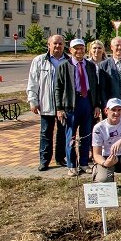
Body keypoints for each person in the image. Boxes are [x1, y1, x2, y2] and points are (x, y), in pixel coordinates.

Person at [55, 38, 103, 176]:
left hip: (87, 101)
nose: (79, 51)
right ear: (70, 50)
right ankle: (72, 165)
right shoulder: (64, 66)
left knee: (86, 135)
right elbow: (58, 88)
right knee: (70, 136)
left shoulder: (90, 65)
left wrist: (96, 105)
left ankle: (83, 163)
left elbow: (95, 87)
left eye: (81, 48)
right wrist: (59, 108)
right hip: (71, 104)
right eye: (76, 48)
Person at [27, 34, 70, 171]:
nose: (57, 46)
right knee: (46, 133)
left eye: (60, 44)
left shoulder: (69, 61)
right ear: (48, 45)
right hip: (46, 103)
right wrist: (33, 100)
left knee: (62, 133)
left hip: (64, 105)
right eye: (55, 43)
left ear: (64, 45)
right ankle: (44, 160)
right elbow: (33, 82)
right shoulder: (39, 61)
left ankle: (60, 158)